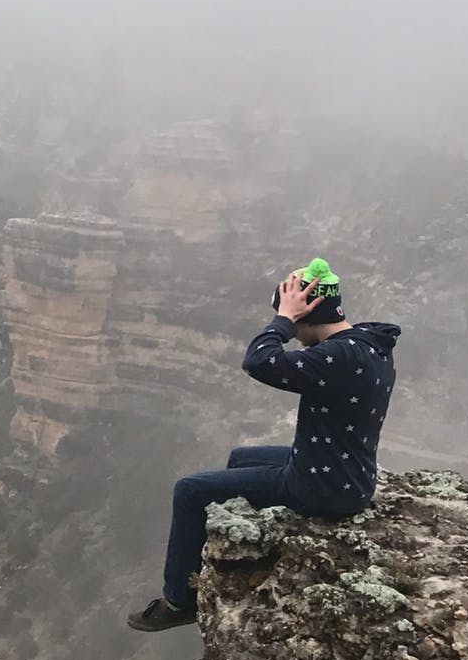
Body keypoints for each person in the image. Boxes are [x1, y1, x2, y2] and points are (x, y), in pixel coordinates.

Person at [129, 258, 402, 633]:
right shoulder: (368, 342)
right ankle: (233, 543)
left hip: (321, 487)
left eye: (291, 316)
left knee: (189, 490)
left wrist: (283, 321)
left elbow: (259, 361)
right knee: (241, 457)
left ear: (307, 313)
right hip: (347, 470)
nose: (292, 328)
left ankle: (178, 600)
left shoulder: (336, 358)